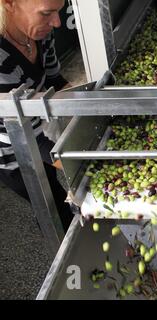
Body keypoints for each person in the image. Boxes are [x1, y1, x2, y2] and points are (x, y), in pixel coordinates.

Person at [0, 0, 73, 231]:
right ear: (9, 4)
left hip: (35, 129)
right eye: (46, 13)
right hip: (13, 153)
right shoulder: (2, 63)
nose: (57, 22)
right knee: (50, 203)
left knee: (52, 181)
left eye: (59, 12)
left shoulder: (40, 33)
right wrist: (83, 165)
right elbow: (30, 139)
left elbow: (55, 82)